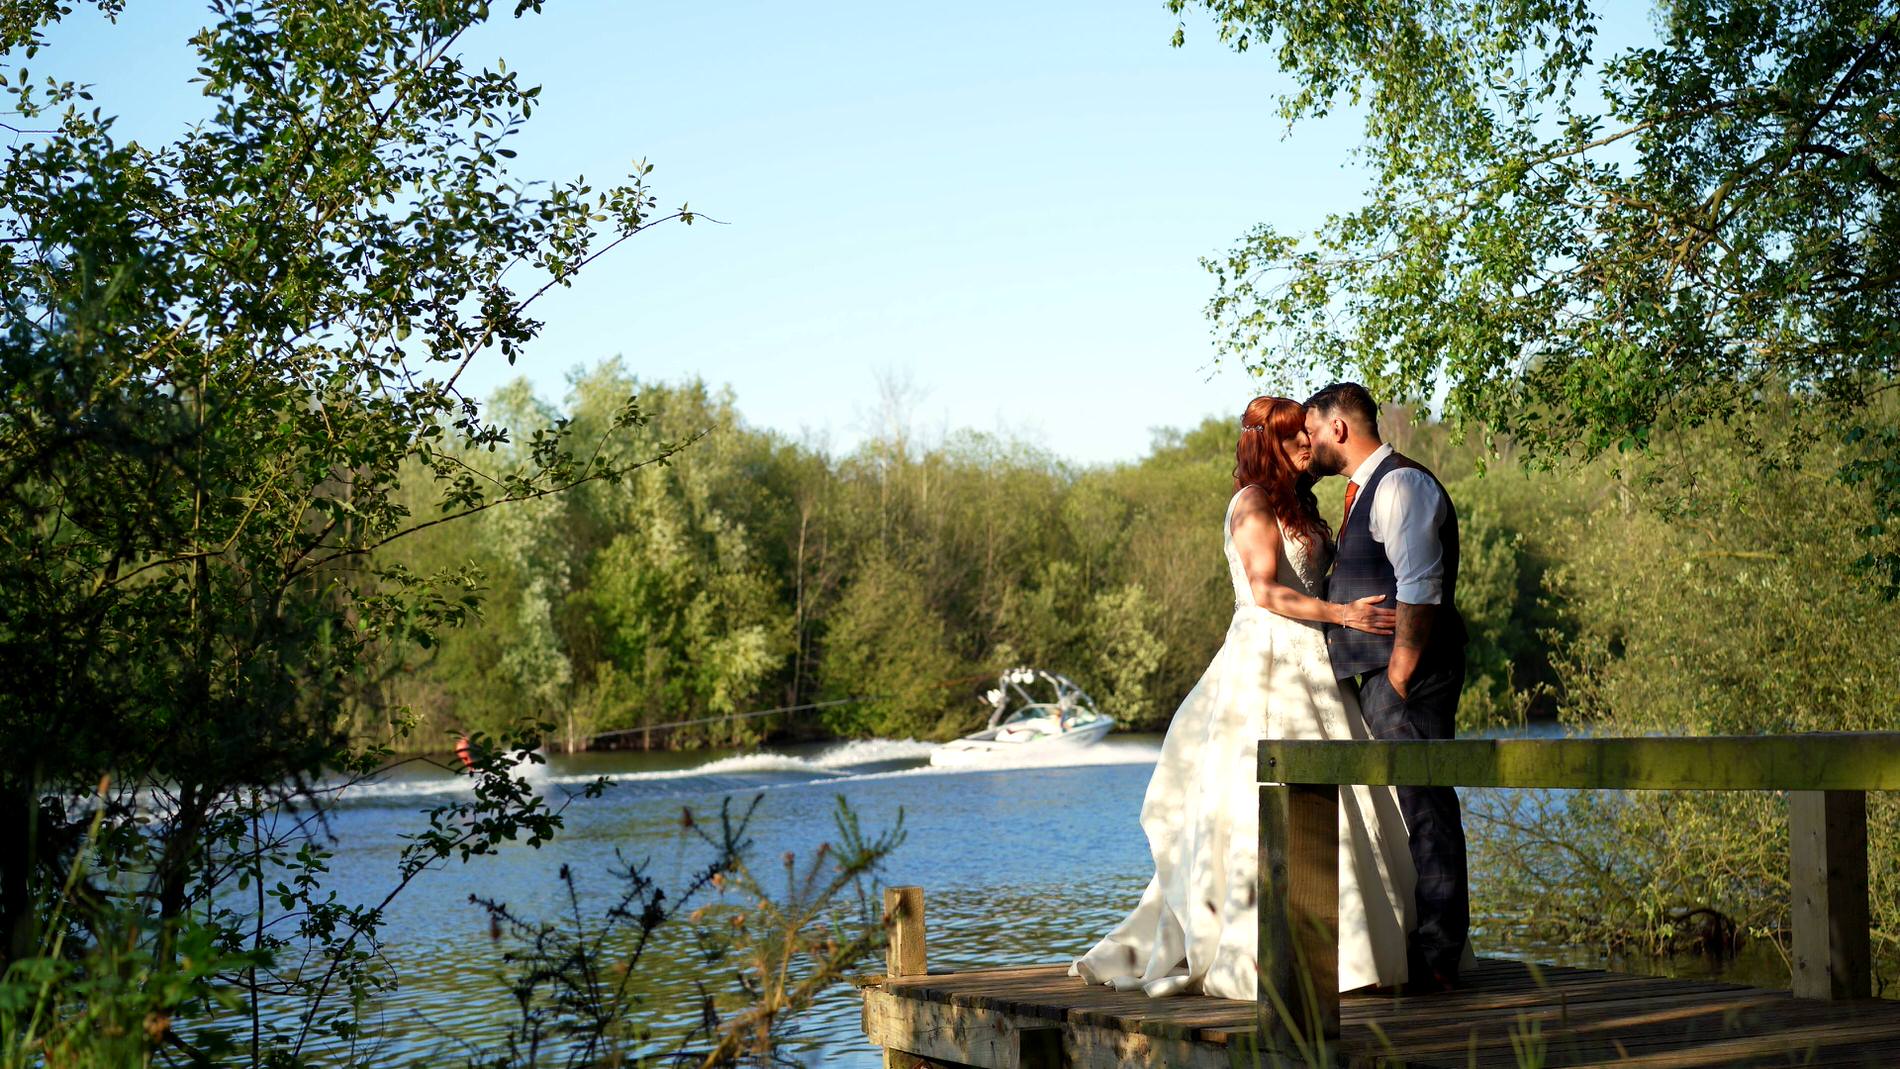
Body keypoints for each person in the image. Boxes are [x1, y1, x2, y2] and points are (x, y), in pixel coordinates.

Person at [1069, 396, 1417, 999]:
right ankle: (1263, 946)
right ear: (1268, 445)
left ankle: (1360, 948)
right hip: (1268, 660)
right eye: (1293, 439)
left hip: (1315, 660)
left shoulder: (1299, 503)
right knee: (1251, 801)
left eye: (1308, 436)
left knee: (1348, 797)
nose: (1307, 445)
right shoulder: (1252, 504)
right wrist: (1343, 615)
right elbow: (1264, 591)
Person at [1304, 381, 1470, 992]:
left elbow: (1421, 587)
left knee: (1426, 807)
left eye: (1315, 431)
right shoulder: (1362, 493)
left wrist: (1399, 675)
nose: (1311, 443)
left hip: (1407, 676)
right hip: (1378, 674)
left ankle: (1438, 959)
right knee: (1408, 810)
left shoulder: (1400, 484)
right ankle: (1417, 948)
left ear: (1339, 428)